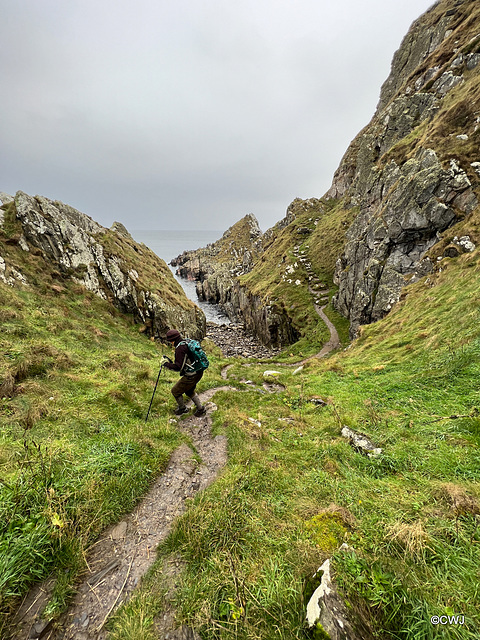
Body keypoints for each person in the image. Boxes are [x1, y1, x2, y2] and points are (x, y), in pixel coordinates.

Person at [162, 329, 207, 417]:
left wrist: (166, 364)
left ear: (173, 340)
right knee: (189, 390)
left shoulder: (180, 349)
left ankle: (183, 409)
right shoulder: (186, 342)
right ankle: (201, 409)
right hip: (199, 372)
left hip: (191, 376)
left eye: (170, 341)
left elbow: (178, 367)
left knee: (175, 391)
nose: (170, 343)